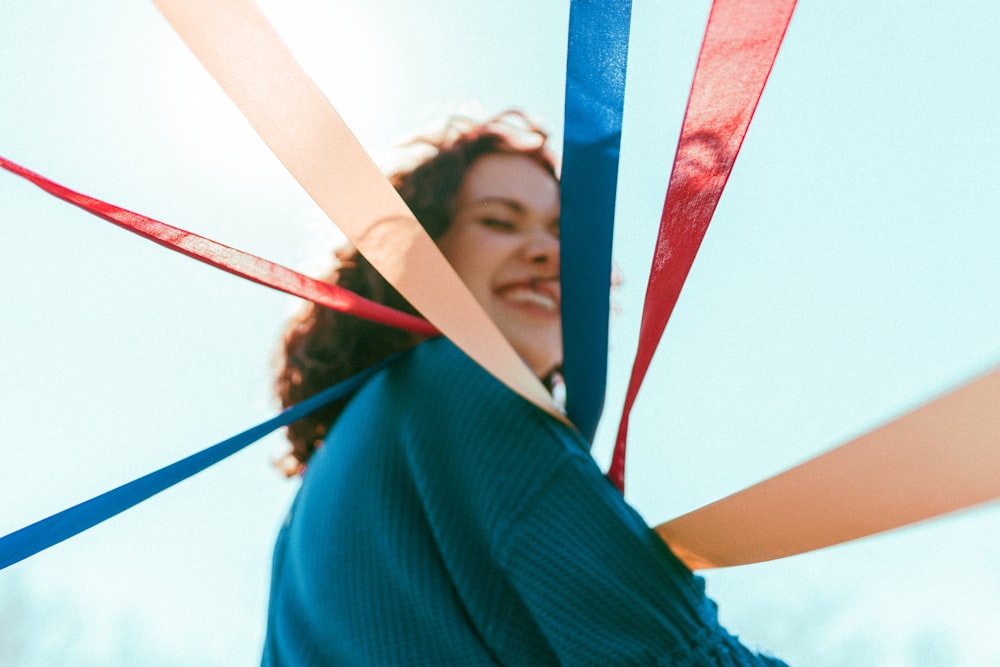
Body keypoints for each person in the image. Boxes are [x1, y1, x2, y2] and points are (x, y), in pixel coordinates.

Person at [262, 112, 786, 666]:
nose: (547, 253)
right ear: (423, 253)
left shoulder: (321, 492)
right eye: (499, 222)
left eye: (563, 232)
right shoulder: (465, 387)